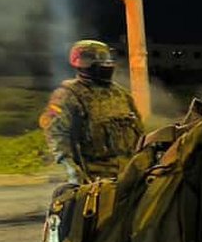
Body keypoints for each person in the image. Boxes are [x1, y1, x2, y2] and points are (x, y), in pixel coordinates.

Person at [39, 39, 144, 183]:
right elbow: (57, 134)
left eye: (106, 59)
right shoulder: (68, 95)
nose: (106, 64)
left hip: (130, 174)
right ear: (83, 64)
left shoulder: (121, 94)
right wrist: (71, 168)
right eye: (100, 60)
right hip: (94, 178)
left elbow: (138, 130)